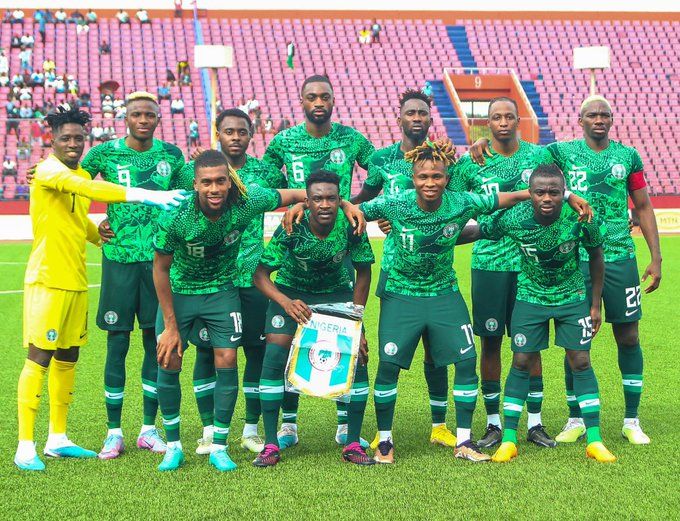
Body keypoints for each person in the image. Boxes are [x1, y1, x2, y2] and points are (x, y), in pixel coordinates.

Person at [354, 142, 593, 464]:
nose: (430, 182)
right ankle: (385, 441)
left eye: (437, 176)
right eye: (423, 176)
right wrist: (321, 207)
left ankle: (465, 441)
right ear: (413, 177)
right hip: (401, 294)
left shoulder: (461, 201)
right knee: (388, 365)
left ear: (446, 177)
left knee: (467, 361)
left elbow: (508, 197)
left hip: (444, 293)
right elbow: (353, 209)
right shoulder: (395, 203)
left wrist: (567, 196)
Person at [14, 104, 188, 471]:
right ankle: (25, 445)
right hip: (47, 280)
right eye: (66, 138)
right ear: (52, 140)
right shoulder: (48, 170)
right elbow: (87, 187)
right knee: (39, 357)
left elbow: (77, 218)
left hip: (76, 281)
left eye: (79, 138)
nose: (73, 144)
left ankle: (58, 438)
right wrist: (147, 195)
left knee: (68, 358)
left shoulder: (76, 173)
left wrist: (99, 234)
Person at [151, 150, 339, 472]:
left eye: (220, 181)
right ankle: (173, 446)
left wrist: (317, 204)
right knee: (169, 358)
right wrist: (170, 325)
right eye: (206, 182)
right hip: (181, 292)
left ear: (230, 182)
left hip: (222, 292)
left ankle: (219, 446)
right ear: (195, 184)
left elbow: (300, 193)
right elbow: (160, 269)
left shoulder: (247, 201)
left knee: (227, 359)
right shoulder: (176, 214)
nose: (214, 189)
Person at [465, 163, 616, 463]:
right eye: (540, 192)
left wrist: (595, 303)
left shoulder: (581, 216)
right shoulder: (514, 217)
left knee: (581, 361)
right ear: (530, 193)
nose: (547, 198)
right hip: (530, 296)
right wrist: (435, 234)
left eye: (554, 192)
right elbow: (481, 230)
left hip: (571, 296)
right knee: (521, 360)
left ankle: (595, 440)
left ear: (564, 193)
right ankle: (509, 439)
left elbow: (597, 256)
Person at [262, 74, 374, 446]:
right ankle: (288, 425)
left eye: (324, 96)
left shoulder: (351, 138)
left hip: (336, 252)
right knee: (284, 345)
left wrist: (352, 203)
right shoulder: (283, 141)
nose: (319, 102)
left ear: (333, 99)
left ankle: (345, 425)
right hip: (299, 234)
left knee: (344, 345)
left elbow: (381, 171)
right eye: (312, 97)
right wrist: (299, 201)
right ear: (302, 101)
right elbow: (264, 183)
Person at [547, 96, 661, 445]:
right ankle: (575, 418)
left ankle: (632, 420)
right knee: (576, 339)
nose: (599, 119)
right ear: (580, 120)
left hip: (620, 256)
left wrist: (656, 258)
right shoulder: (561, 152)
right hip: (576, 257)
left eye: (604, 115)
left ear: (611, 120)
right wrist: (481, 145)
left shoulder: (628, 156)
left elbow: (643, 206)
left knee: (628, 337)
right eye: (592, 115)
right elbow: (523, 157)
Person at [80, 92, 187, 460]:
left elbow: (188, 193)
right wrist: (91, 224)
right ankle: (113, 432)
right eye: (137, 114)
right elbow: (74, 185)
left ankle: (147, 428)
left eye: (149, 115)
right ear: (125, 118)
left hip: (159, 261)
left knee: (154, 341)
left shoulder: (171, 155)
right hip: (119, 259)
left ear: (158, 118)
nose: (143, 120)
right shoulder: (104, 153)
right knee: (117, 342)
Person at [351, 89, 458, 450]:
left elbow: (455, 202)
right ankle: (383, 432)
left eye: (422, 113)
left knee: (437, 352)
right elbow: (364, 201)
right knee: (391, 355)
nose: (416, 118)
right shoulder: (381, 159)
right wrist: (346, 209)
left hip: (438, 271)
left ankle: (439, 425)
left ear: (430, 118)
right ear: (399, 118)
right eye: (410, 112)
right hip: (396, 269)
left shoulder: (443, 159)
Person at [178, 108, 287, 456]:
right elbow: (172, 209)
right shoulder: (193, 172)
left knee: (256, 351)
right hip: (211, 283)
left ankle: (251, 429)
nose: (236, 137)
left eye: (242, 131)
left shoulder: (266, 172)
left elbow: (291, 195)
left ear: (251, 134)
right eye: (228, 131)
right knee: (206, 353)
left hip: (252, 278)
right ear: (217, 133)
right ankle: (209, 430)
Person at [450, 97, 556, 449]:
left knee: (531, 345)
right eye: (496, 117)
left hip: (530, 264)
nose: (503, 122)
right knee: (491, 343)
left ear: (518, 120)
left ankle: (535, 422)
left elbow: (558, 193)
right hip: (488, 264)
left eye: (509, 116)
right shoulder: (472, 163)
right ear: (488, 122)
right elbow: (449, 203)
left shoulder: (540, 156)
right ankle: (493, 422)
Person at [252, 171, 375, 467]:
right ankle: (271, 444)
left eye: (331, 198)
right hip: (292, 293)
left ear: (340, 199)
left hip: (336, 293)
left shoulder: (351, 225)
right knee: (274, 356)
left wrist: (356, 322)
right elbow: (260, 274)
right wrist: (285, 302)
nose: (324, 204)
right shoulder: (292, 225)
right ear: (307, 202)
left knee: (357, 357)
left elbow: (364, 272)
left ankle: (352, 442)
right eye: (317, 199)